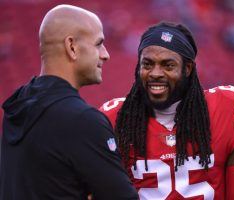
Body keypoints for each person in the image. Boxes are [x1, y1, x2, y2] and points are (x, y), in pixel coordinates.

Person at [100, 22, 234, 199]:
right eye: (147, 64)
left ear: (188, 69)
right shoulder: (116, 119)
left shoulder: (227, 109)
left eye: (168, 65)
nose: (155, 73)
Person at [0, 4, 138, 200]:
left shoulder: (17, 106)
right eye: (98, 44)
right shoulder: (82, 121)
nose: (105, 54)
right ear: (71, 47)